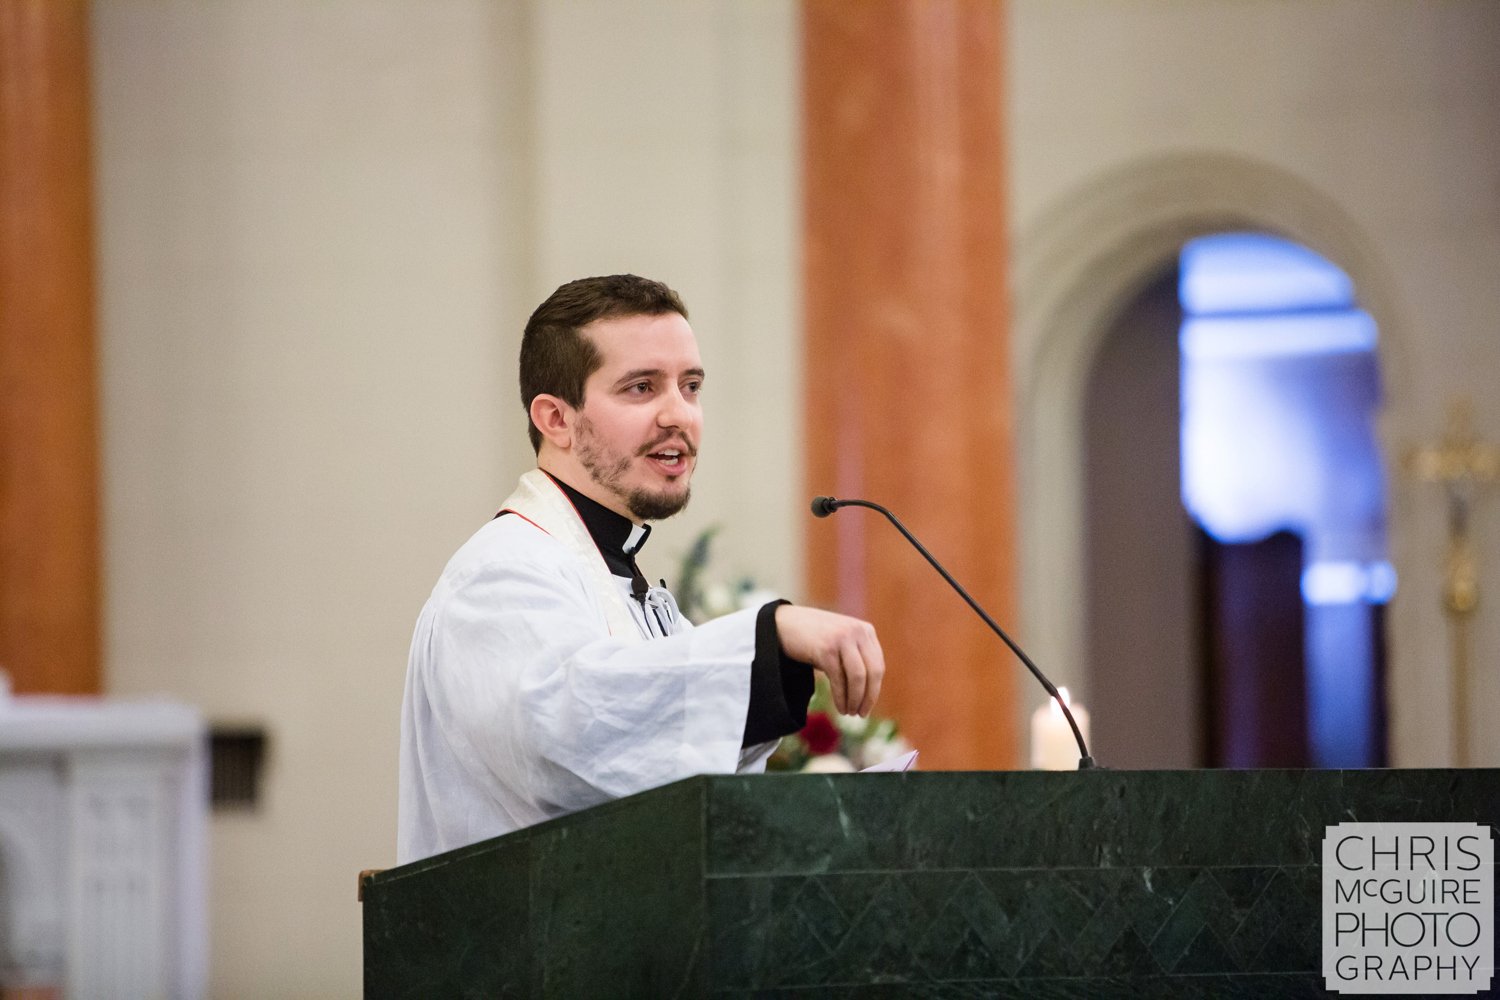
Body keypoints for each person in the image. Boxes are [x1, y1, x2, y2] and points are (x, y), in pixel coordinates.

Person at [397, 274, 885, 863]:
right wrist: (770, 633)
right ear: (556, 419)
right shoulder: (502, 574)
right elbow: (569, 741)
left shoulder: (622, 581)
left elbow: (677, 768)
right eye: (640, 388)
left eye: (691, 385)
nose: (679, 414)